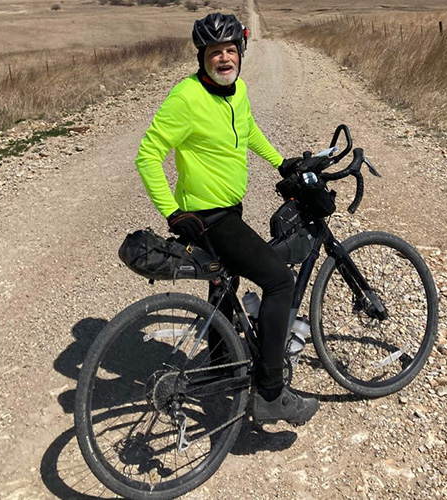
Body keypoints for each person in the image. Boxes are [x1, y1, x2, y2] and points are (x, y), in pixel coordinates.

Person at [135, 13, 319, 425]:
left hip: (226, 211)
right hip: (206, 218)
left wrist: (280, 163)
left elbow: (247, 129)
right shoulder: (185, 98)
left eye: (230, 50)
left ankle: (225, 368)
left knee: (224, 286)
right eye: (214, 52)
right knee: (278, 280)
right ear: (201, 57)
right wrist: (172, 212)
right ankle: (271, 393)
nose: (223, 58)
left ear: (241, 53)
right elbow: (147, 156)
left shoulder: (238, 93)